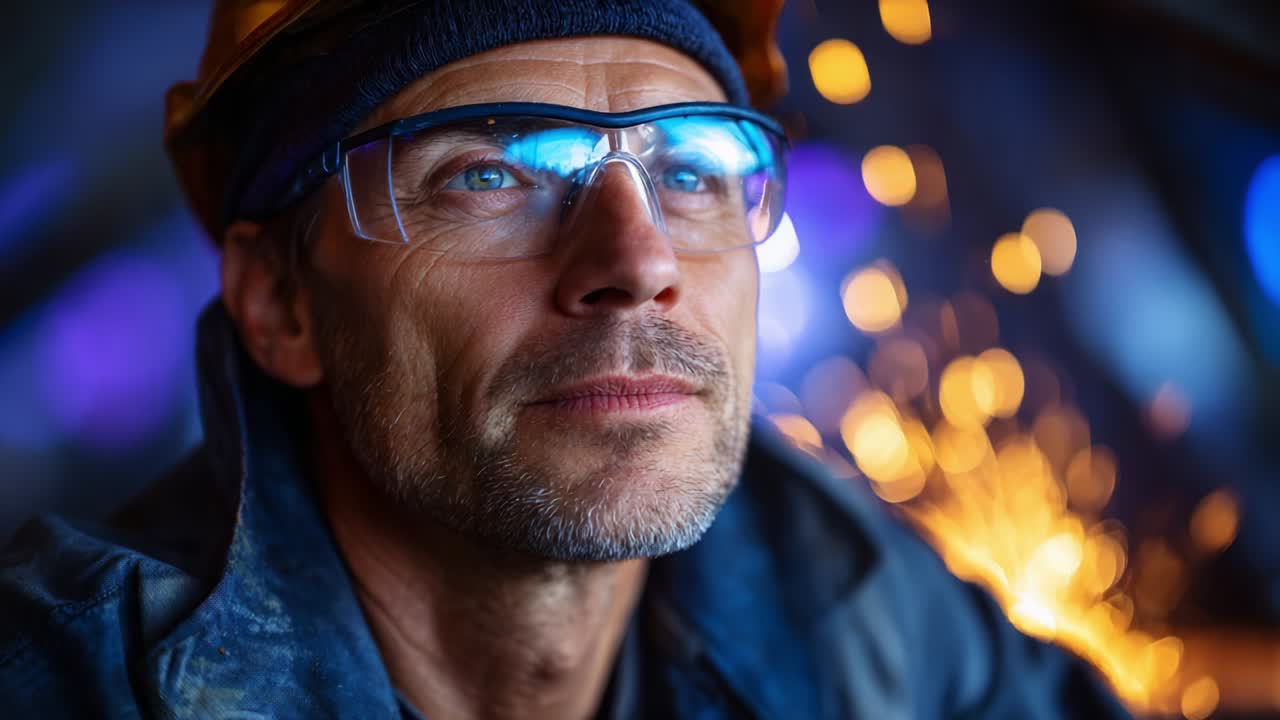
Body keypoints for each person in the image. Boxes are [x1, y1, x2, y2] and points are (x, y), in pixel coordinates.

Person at [0, 1, 1130, 717]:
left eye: (690, 169)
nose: (636, 263)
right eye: (488, 176)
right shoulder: (65, 681)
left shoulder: (844, 596)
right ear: (282, 304)